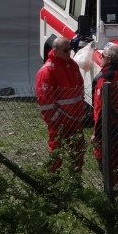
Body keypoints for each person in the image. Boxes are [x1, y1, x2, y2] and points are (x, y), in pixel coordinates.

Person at [35, 36, 86, 171]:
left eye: (70, 49)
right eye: (65, 50)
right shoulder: (47, 71)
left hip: (75, 119)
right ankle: (53, 182)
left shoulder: (72, 64)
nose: (69, 52)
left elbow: (80, 88)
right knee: (57, 154)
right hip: (60, 123)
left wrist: (80, 112)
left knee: (78, 153)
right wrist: (56, 120)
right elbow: (45, 102)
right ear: (55, 50)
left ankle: (75, 182)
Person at [91, 44, 118, 188]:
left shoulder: (105, 78)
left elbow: (100, 108)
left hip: (108, 127)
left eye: (102, 55)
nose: (100, 58)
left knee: (104, 159)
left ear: (108, 59)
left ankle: (110, 190)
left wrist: (96, 133)